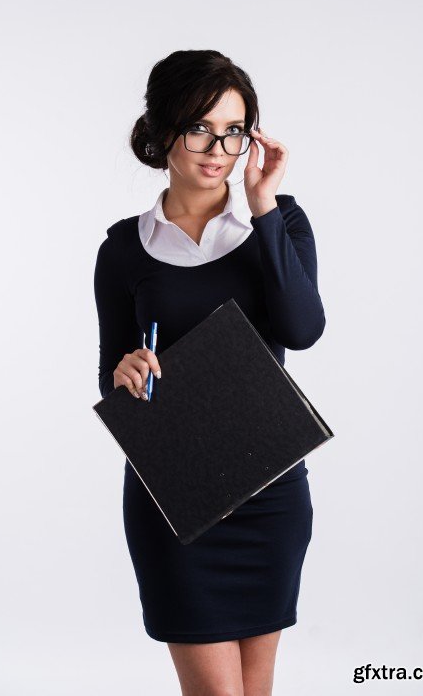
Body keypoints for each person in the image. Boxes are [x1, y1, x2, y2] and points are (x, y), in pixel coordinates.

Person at [94, 49, 326, 696]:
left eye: (234, 129)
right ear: (164, 128)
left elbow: (302, 330)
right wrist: (127, 371)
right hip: (177, 503)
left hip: (270, 492)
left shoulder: (279, 222)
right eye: (200, 127)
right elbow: (112, 384)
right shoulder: (122, 249)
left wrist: (263, 207)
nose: (217, 146)